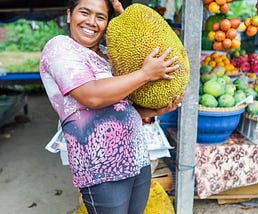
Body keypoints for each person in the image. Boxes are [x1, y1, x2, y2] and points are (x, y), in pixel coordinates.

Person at [39, 0, 184, 213]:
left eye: (100, 17)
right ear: (69, 14)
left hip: (137, 159)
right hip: (101, 167)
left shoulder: (109, 55)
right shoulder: (60, 47)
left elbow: (119, 107)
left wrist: (153, 111)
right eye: (84, 12)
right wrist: (145, 73)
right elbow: (92, 96)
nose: (91, 22)